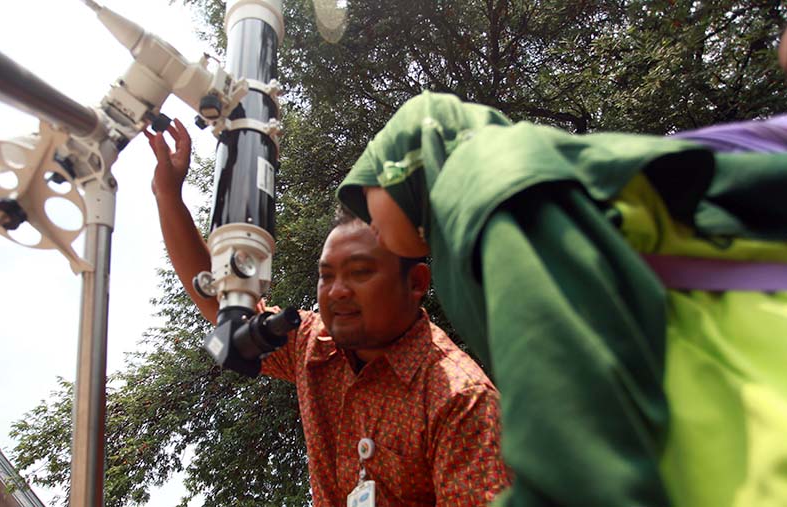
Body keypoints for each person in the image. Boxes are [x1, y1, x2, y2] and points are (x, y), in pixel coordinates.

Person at [337, 90, 787, 507]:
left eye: (367, 193)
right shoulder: (483, 201)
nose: (366, 223)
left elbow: (575, 438)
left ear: (404, 164)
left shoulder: (483, 179)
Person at [145, 119, 511, 506]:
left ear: (416, 282)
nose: (336, 291)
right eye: (326, 275)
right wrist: (167, 193)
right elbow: (221, 306)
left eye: (360, 272)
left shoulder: (461, 402)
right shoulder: (313, 343)